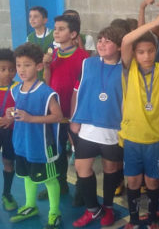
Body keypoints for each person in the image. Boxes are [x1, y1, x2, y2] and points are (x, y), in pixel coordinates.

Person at [119, 12, 159, 229]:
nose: (146, 56)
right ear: (135, 54)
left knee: (153, 182)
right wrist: (153, 23)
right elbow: (127, 40)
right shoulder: (129, 69)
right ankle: (134, 220)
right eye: (141, 52)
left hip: (155, 138)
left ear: (156, 52)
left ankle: (154, 217)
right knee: (134, 182)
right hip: (132, 138)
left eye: (150, 51)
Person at [70, 26, 126, 227]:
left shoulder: (126, 68)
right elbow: (80, 92)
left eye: (108, 40)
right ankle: (93, 209)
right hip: (88, 126)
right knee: (81, 168)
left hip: (113, 128)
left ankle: (109, 208)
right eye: (100, 39)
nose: (101, 44)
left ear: (120, 46)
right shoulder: (88, 63)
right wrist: (74, 119)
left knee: (110, 170)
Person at [7, 42, 63, 229]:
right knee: (26, 176)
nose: (21, 69)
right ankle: (30, 206)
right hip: (22, 143)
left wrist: (31, 118)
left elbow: (58, 116)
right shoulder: (16, 89)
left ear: (39, 66)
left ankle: (54, 212)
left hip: (41, 146)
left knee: (48, 179)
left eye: (27, 65)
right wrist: (10, 113)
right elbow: (19, 112)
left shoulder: (46, 92)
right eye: (19, 65)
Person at [38, 15, 89, 201]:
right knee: (57, 151)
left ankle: (82, 190)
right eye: (55, 28)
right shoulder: (52, 56)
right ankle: (61, 185)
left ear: (73, 33)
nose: (56, 32)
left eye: (61, 29)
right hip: (57, 113)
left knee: (81, 153)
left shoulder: (83, 57)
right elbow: (47, 81)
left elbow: (85, 86)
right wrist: (46, 65)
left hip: (76, 114)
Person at [0, 49, 18, 211]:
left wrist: (11, 117)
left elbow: (20, 108)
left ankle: (7, 193)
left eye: (11, 69)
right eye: (2, 69)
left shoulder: (18, 88)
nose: (7, 73)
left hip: (10, 131)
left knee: (8, 161)